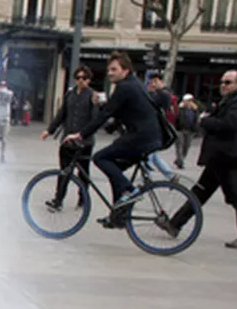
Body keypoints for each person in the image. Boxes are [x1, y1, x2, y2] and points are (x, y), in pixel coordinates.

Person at [163, 71, 237, 249]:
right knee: (200, 192)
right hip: (220, 155)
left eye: (228, 82)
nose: (223, 85)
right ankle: (175, 224)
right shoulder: (231, 100)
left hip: (227, 155)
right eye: (222, 81)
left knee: (236, 196)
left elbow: (231, 124)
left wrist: (206, 122)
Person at [63, 51, 163, 215]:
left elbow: (105, 115)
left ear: (125, 70)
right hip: (148, 137)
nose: (110, 73)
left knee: (100, 158)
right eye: (109, 69)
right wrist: (104, 112)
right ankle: (118, 216)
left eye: (114, 69)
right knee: (114, 169)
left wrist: (80, 134)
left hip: (140, 138)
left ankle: (130, 191)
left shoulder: (125, 87)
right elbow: (117, 112)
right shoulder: (133, 83)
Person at [43, 65, 100, 208]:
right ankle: (58, 200)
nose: (81, 80)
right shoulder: (70, 94)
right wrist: (49, 130)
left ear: (89, 80)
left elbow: (95, 119)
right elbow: (62, 114)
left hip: (84, 141)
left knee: (83, 172)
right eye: (78, 77)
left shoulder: (92, 96)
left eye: (84, 78)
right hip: (68, 140)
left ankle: (83, 199)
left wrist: (84, 134)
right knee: (64, 171)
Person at [175, 94, 201, 167]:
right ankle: (180, 162)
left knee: (186, 147)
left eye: (189, 101)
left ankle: (180, 159)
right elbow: (176, 118)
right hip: (181, 129)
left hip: (190, 130)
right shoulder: (180, 108)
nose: (188, 102)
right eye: (186, 101)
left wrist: (196, 128)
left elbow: (197, 119)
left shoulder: (195, 109)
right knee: (179, 146)